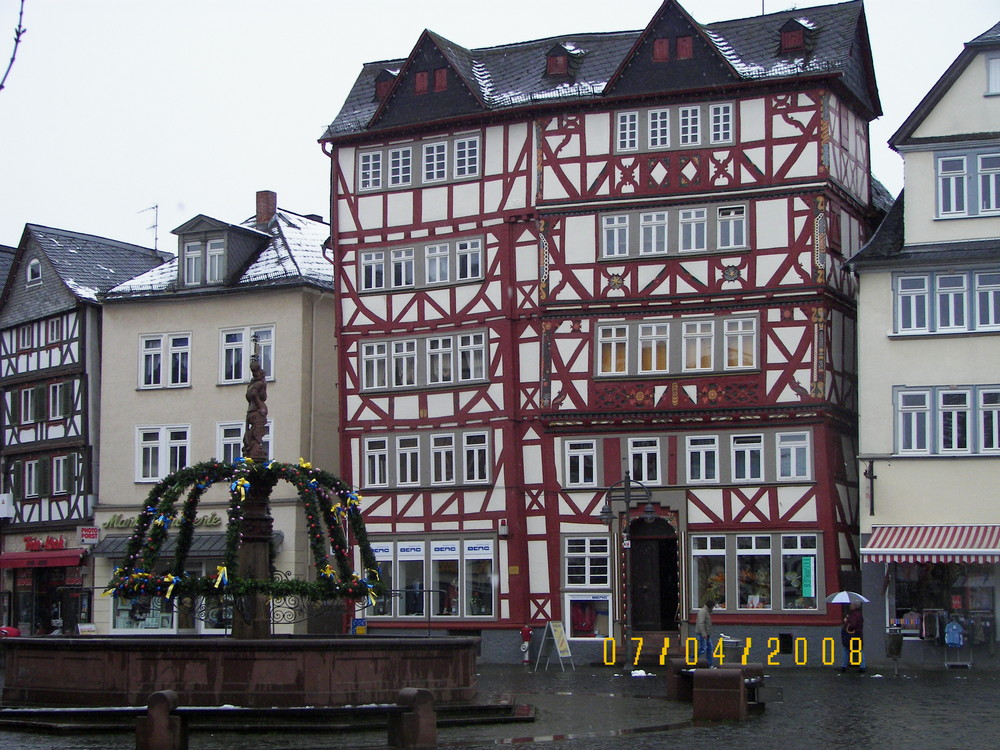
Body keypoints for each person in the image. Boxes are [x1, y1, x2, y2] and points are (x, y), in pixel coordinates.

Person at [840, 600, 866, 672]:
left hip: (852, 635)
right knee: (859, 650)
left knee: (846, 649)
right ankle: (862, 666)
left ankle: (844, 666)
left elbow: (853, 624)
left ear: (854, 606)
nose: (850, 606)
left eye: (851, 605)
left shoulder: (853, 614)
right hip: (858, 634)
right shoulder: (859, 614)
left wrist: (846, 621)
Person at [696, 599, 715, 663]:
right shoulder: (703, 612)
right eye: (713, 606)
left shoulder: (706, 612)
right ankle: (690, 659)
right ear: (710, 606)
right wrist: (704, 634)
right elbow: (701, 623)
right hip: (703, 634)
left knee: (709, 650)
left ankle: (709, 664)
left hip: (706, 634)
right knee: (703, 649)